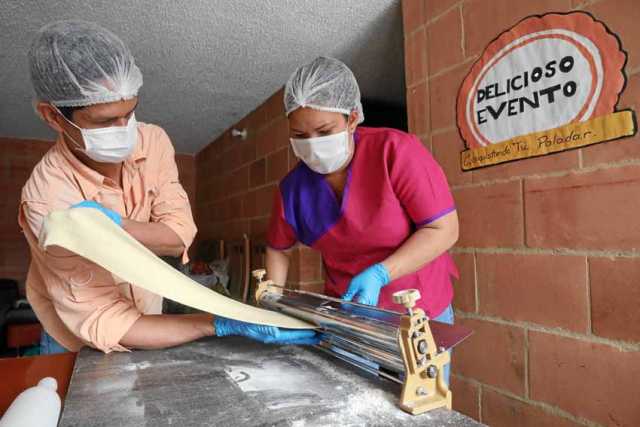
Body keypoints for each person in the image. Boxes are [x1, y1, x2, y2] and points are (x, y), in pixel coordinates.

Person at [20, 20, 317, 355]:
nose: (124, 131)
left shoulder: (151, 141)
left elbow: (178, 236)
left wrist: (116, 228)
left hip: (148, 318)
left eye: (129, 113)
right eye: (104, 122)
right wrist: (216, 322)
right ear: (53, 116)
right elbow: (106, 320)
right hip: (78, 336)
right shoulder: (47, 203)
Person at [266, 57, 459, 383]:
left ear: (352, 118)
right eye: (300, 134)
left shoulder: (395, 151)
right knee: (353, 398)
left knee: (419, 403)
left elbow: (443, 228)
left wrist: (381, 273)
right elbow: (277, 248)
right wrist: (273, 302)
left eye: (324, 131)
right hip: (350, 313)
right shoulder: (293, 189)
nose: (312, 144)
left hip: (419, 308)